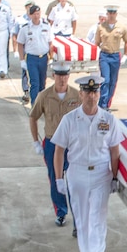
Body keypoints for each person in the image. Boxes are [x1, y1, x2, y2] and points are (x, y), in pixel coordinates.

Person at [52, 75, 123, 252]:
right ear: (81, 94)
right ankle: (85, 251)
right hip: (77, 173)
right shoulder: (70, 120)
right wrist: (58, 178)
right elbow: (59, 151)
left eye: (95, 92)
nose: (92, 96)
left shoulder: (108, 120)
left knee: (98, 219)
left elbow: (115, 151)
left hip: (101, 173)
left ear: (100, 94)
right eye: (88, 92)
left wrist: (115, 177)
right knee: (82, 217)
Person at [30, 61, 81, 227]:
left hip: (72, 144)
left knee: (74, 179)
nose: (62, 79)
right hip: (52, 143)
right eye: (59, 75)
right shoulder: (44, 96)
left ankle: (77, 215)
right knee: (56, 178)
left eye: (65, 75)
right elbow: (33, 117)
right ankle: (61, 211)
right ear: (53, 76)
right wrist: (36, 141)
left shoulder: (76, 95)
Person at [95, 5, 127, 110]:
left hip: (115, 56)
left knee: (113, 82)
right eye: (109, 13)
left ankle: (108, 103)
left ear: (116, 14)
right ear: (107, 14)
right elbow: (97, 42)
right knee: (105, 80)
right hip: (104, 55)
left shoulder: (121, 27)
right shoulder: (101, 27)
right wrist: (96, 55)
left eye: (113, 13)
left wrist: (125, 55)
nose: (111, 15)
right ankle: (103, 105)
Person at [17, 4, 53, 105]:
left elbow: (50, 43)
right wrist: (22, 60)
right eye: (34, 14)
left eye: (38, 13)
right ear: (30, 15)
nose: (37, 16)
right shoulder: (25, 28)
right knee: (34, 83)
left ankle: (41, 104)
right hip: (32, 59)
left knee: (42, 83)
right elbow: (20, 44)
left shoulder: (46, 26)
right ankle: (34, 105)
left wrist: (51, 58)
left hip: (43, 58)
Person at [14, 0, 35, 103]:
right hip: (25, 50)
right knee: (25, 72)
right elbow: (15, 35)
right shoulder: (20, 20)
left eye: (31, 7)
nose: (29, 8)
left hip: (35, 50)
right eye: (28, 6)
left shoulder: (39, 20)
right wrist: (16, 51)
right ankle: (26, 90)